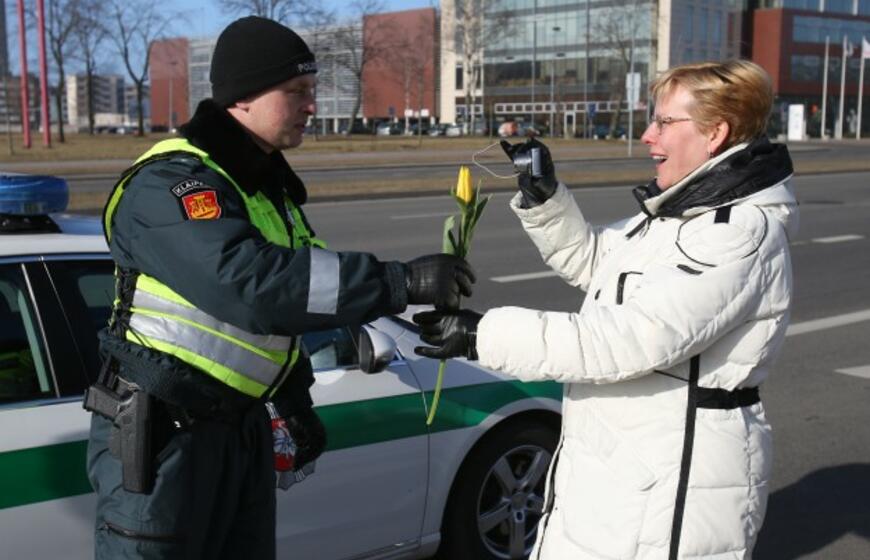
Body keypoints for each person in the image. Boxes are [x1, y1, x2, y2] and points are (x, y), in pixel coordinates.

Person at [85, 16, 475, 560]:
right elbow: (251, 286)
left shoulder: (261, 188)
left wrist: (290, 399)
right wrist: (398, 281)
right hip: (164, 442)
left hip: (235, 431)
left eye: (310, 91)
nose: (311, 105)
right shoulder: (171, 184)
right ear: (243, 96)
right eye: (296, 91)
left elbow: (287, 309)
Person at [414, 60, 797, 559]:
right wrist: (546, 198)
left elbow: (628, 338)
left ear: (715, 133)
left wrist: (481, 335)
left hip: (670, 480)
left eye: (664, 122)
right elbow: (598, 266)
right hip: (618, 464)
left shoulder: (737, 232)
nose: (646, 135)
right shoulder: (679, 212)